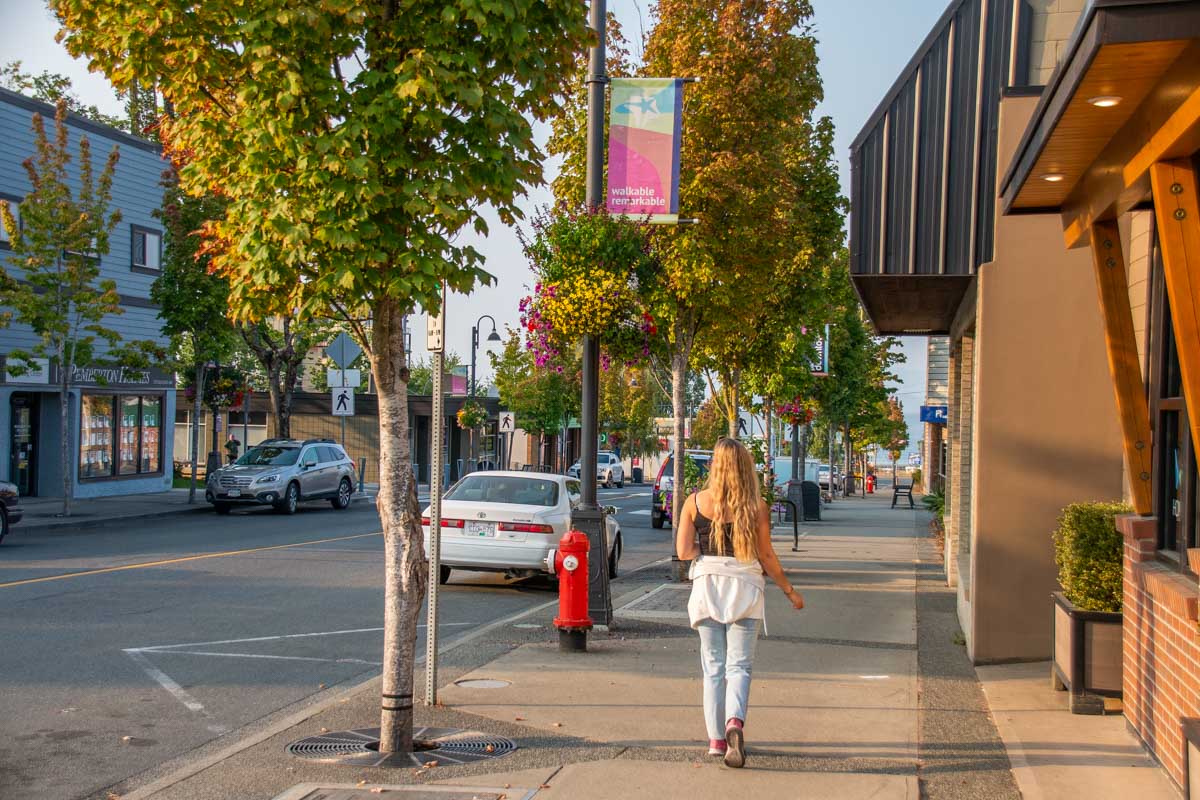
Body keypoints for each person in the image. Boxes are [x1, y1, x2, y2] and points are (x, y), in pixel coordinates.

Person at [675, 437, 804, 768]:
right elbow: (766, 555)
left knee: (713, 667)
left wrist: (706, 551)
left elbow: (684, 552)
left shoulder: (695, 503)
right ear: (746, 467)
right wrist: (789, 590)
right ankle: (735, 721)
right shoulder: (757, 506)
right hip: (745, 587)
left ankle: (717, 741)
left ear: (714, 466)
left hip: (708, 587)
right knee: (739, 666)